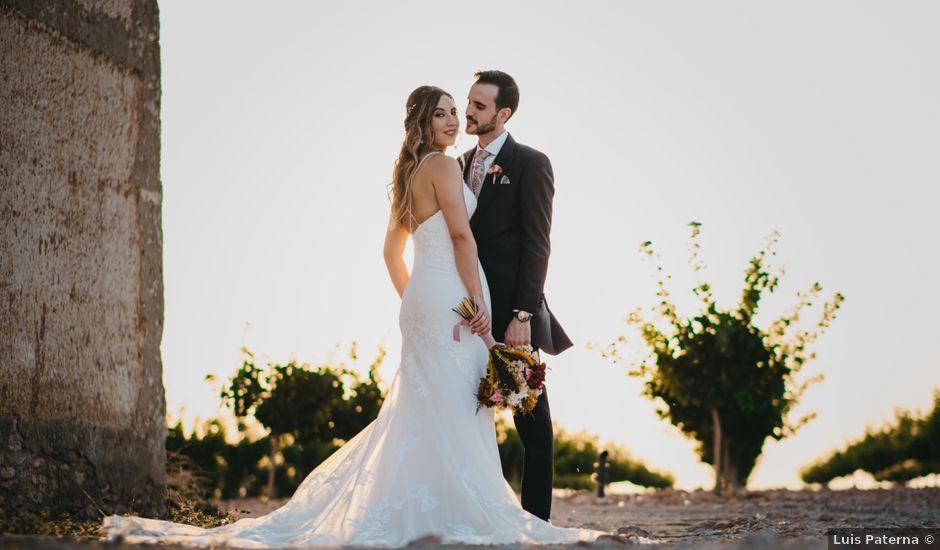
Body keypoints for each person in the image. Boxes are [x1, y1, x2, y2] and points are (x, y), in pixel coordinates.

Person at [101, 85, 604, 547]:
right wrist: (475, 307)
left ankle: (444, 504)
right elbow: (461, 237)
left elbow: (393, 253)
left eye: (464, 109)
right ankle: (463, 507)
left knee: (427, 406)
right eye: (446, 112)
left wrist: (418, 301)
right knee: (454, 403)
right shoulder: (448, 166)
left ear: (502, 111)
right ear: (423, 123)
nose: (458, 117)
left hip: (426, 300)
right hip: (458, 300)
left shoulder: (409, 172)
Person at [461, 70, 572, 522]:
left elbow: (538, 242)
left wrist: (524, 312)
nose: (468, 111)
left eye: (479, 106)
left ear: (503, 114)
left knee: (531, 421)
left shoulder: (531, 162)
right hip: (465, 307)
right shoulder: (456, 164)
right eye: (468, 102)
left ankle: (538, 519)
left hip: (510, 311)